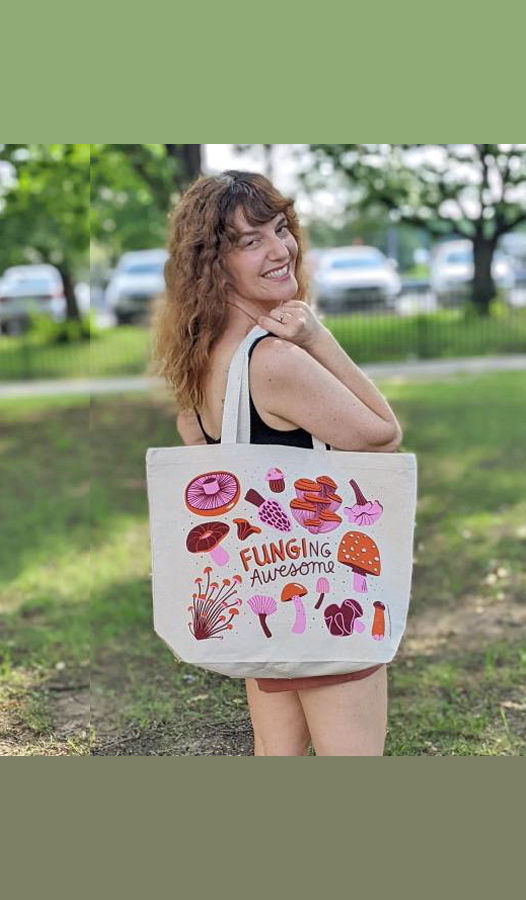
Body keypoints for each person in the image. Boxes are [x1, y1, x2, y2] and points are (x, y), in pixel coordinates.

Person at [153, 171, 403, 756]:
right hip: (327, 597)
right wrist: (318, 339)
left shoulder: (200, 362)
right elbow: (382, 436)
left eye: (280, 228)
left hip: (264, 600)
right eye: (249, 240)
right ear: (215, 264)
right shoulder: (275, 362)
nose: (280, 248)